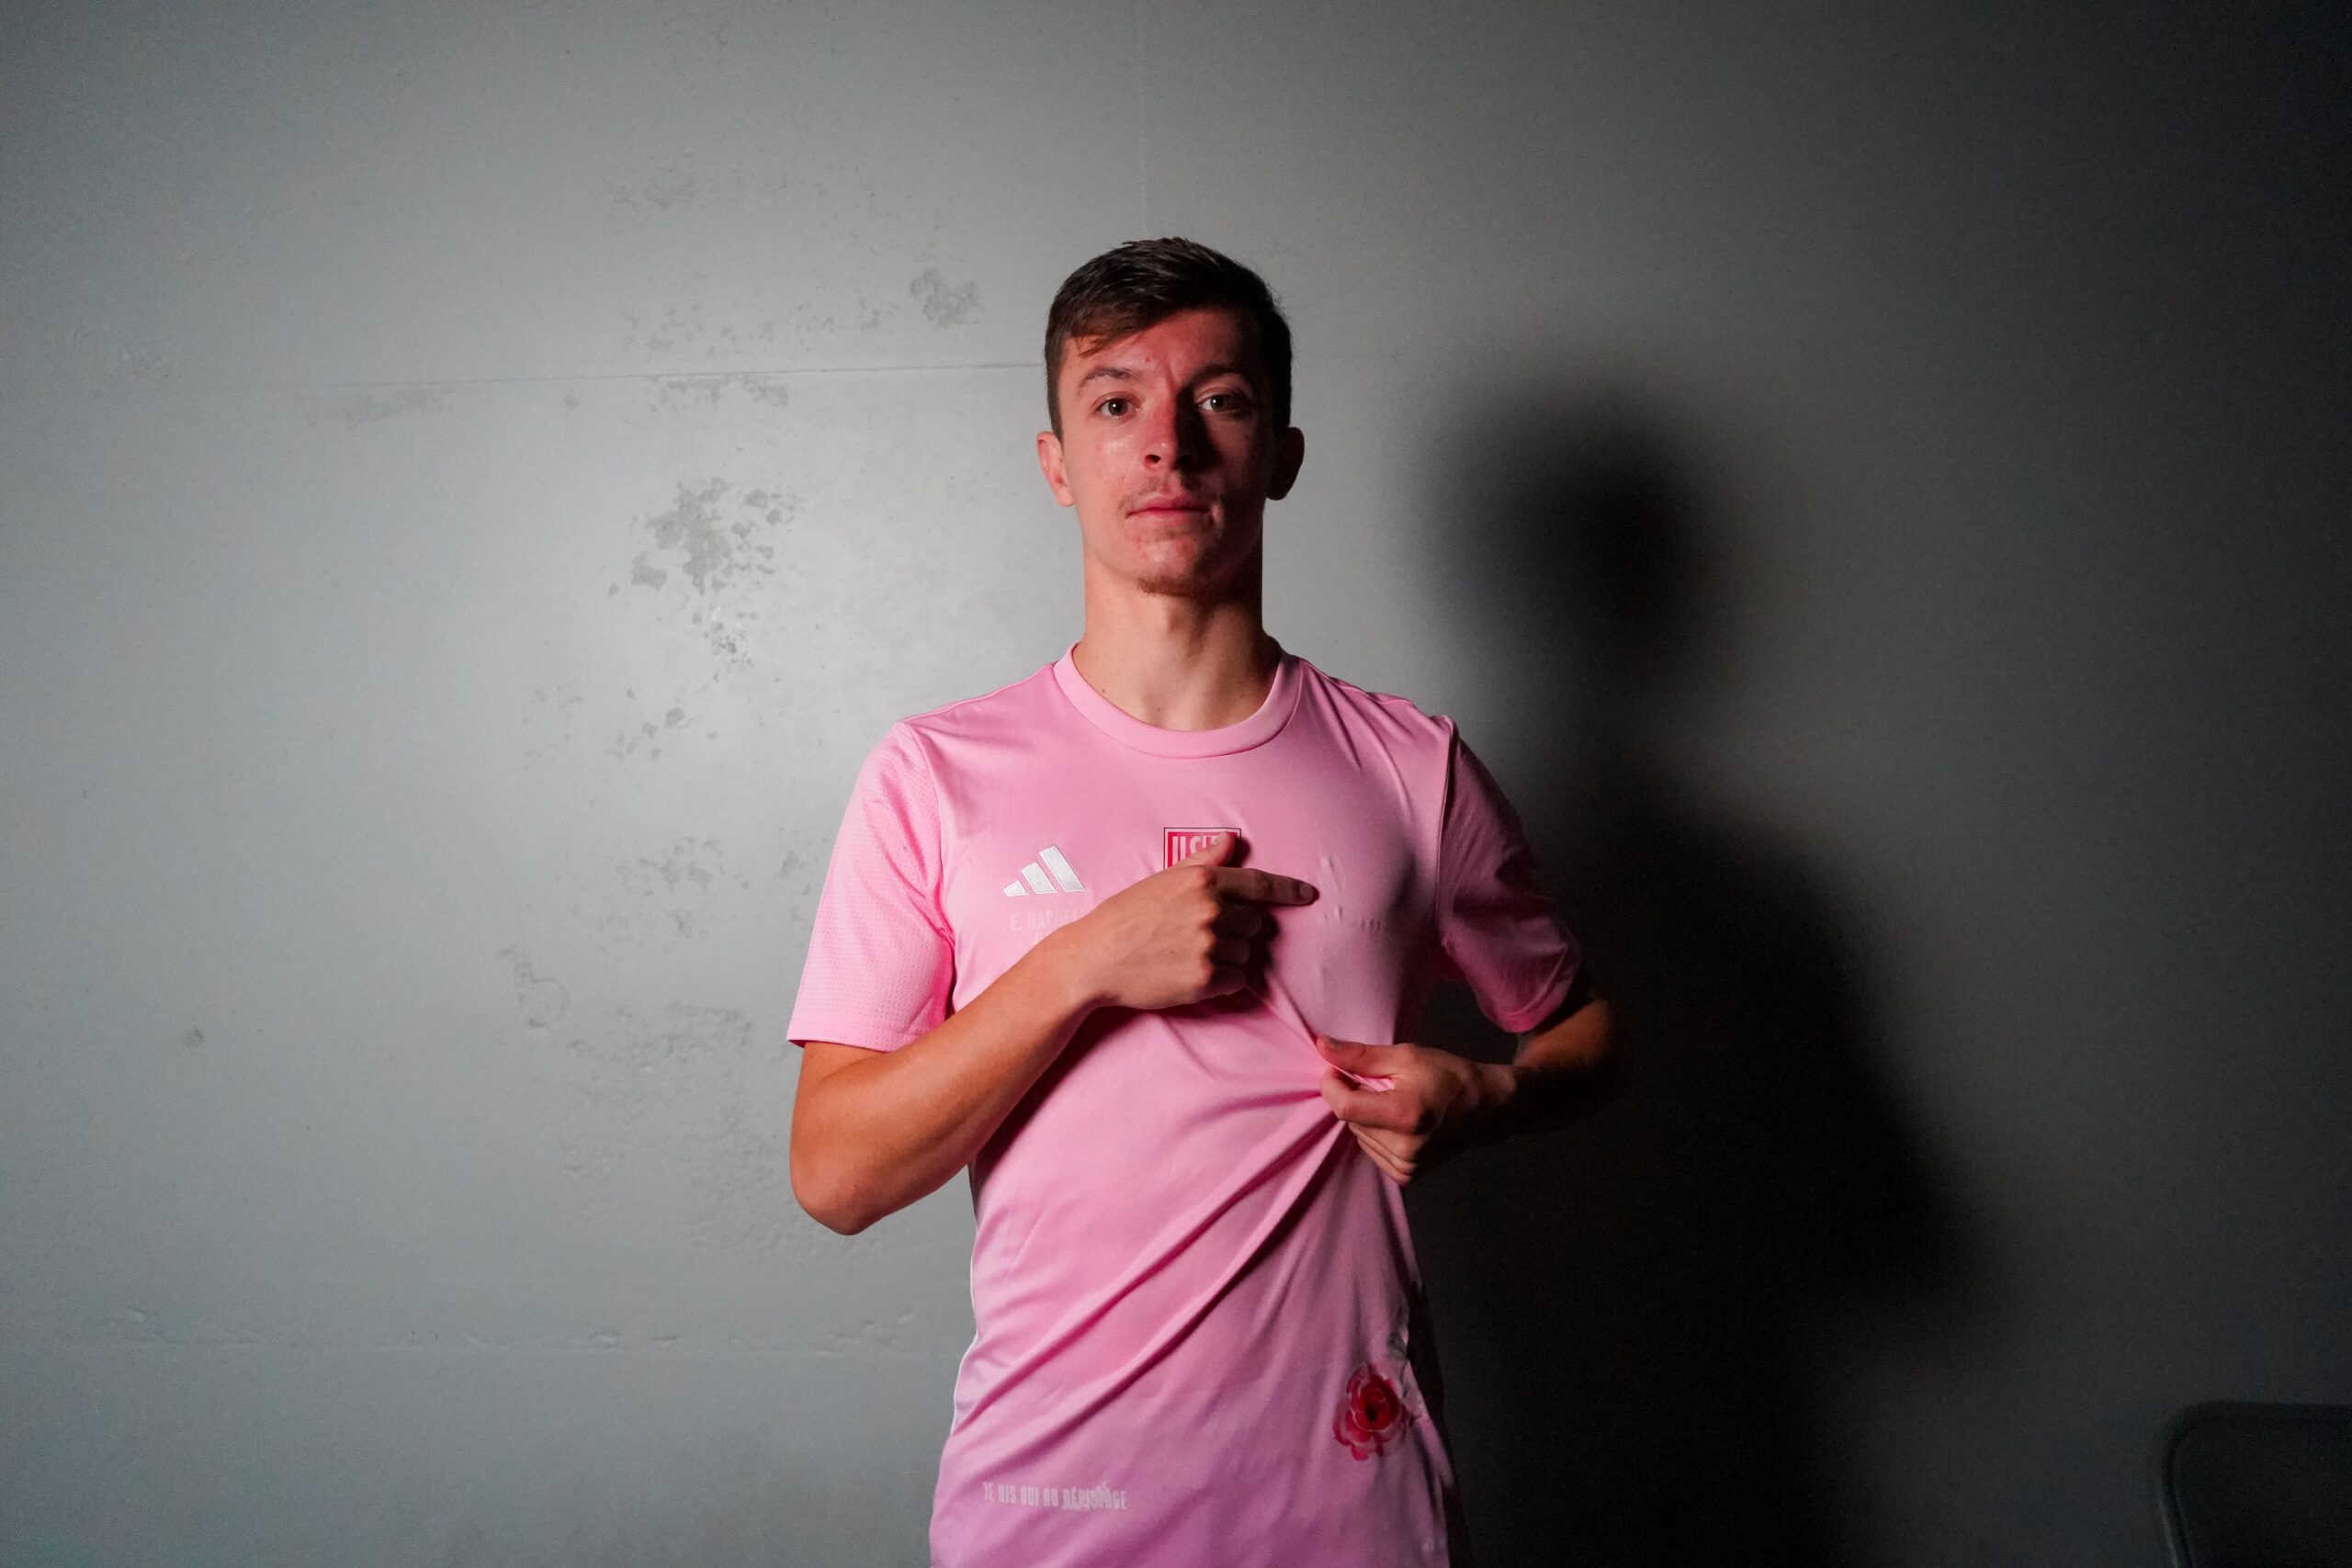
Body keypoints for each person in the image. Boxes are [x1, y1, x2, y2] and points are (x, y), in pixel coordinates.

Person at [786, 237, 1619, 1568]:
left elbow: (1584, 1031)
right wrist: (1078, 965)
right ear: (1057, 462)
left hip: (1352, 1511)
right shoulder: (935, 775)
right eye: (1116, 402)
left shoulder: (1413, 768)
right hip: (1049, 1521)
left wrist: (1493, 1096)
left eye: (1218, 399)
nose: (1166, 444)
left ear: (1281, 453)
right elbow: (836, 1176)